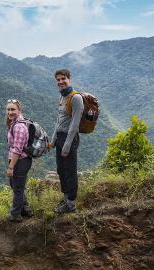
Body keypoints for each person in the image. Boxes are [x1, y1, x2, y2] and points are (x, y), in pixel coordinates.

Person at [51, 69, 84, 214]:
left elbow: (74, 124)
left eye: (63, 79)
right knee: (61, 170)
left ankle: (71, 204)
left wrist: (67, 144)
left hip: (69, 139)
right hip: (60, 137)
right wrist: (53, 140)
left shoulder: (75, 98)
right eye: (58, 80)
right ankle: (66, 197)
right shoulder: (62, 97)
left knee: (70, 171)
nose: (60, 82)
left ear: (69, 79)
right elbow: (59, 121)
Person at [5, 99, 34, 222]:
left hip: (20, 161)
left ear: (19, 110)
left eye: (13, 109)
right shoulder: (15, 122)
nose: (10, 112)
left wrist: (11, 167)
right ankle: (25, 209)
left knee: (17, 187)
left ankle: (15, 214)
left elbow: (17, 149)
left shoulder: (18, 127)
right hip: (20, 160)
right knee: (16, 185)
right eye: (8, 109)